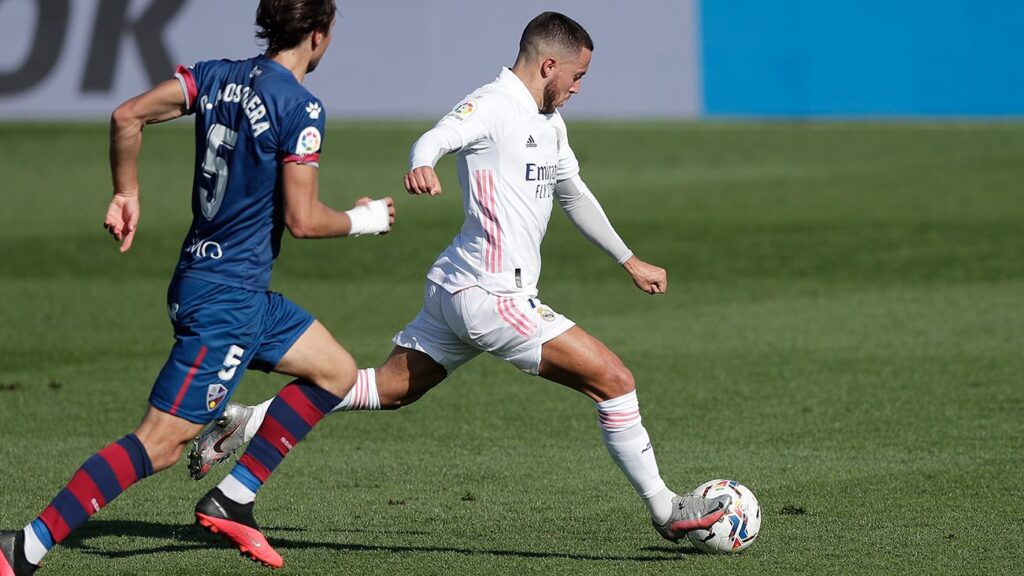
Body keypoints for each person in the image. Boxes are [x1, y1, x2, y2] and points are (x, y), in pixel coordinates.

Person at [190, 10, 729, 546]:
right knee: (615, 381)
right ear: (548, 65)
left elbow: (573, 194)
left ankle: (249, 420)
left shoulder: (549, 121)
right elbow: (437, 136)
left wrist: (628, 259)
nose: (579, 88)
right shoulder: (494, 104)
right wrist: (422, 163)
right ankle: (666, 509)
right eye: (578, 76)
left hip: (457, 287)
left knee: (389, 388)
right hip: (492, 295)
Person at [0, 1, 395, 573]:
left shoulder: (215, 76)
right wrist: (365, 220)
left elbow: (126, 115)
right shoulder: (300, 106)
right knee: (160, 442)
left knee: (333, 370)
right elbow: (304, 220)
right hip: (225, 303)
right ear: (318, 34)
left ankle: (233, 499)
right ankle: (24, 547)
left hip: (224, 285)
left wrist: (126, 191)